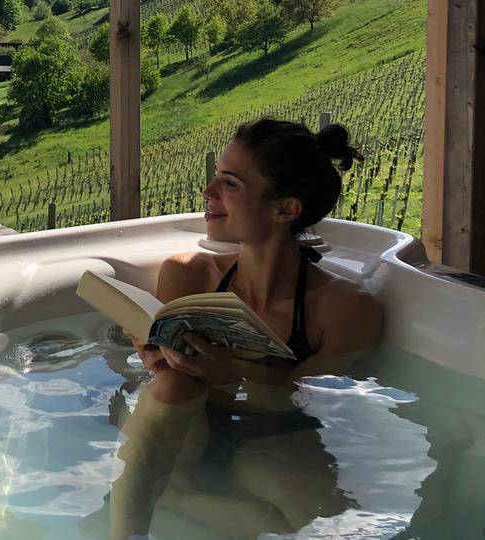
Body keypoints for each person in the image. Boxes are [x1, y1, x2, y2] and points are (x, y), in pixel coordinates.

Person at [108, 117, 384, 540]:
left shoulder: (344, 308)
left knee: (334, 529)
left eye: (229, 183)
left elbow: (316, 405)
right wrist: (155, 357)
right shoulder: (189, 274)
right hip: (184, 436)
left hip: (274, 441)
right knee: (174, 386)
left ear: (285, 209)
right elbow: (162, 391)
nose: (208, 191)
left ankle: (179, 498)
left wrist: (233, 375)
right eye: (216, 177)